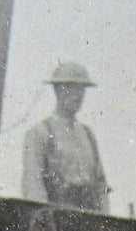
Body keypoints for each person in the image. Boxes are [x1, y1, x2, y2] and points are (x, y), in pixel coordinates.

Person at [21, 61, 109, 212]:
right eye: (71, 89)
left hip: (90, 219)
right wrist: (44, 226)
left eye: (81, 90)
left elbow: (101, 185)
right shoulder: (40, 133)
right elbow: (33, 186)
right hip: (58, 220)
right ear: (58, 90)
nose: (78, 96)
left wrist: (106, 222)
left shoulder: (87, 134)